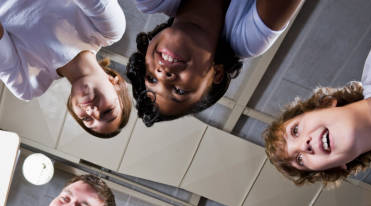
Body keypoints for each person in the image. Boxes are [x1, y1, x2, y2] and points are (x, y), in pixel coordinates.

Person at [263, 1, 371, 190]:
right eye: (299, 159)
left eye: (295, 131)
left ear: (324, 104)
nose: (304, 146)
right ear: (337, 167)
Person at [0, 0, 132, 138]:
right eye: (108, 112)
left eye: (87, 120)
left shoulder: (28, 84)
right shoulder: (107, 29)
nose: (92, 113)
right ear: (116, 83)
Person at [126, 0, 302, 126]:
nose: (163, 75)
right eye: (179, 91)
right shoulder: (249, 39)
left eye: (151, 78)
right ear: (215, 74)